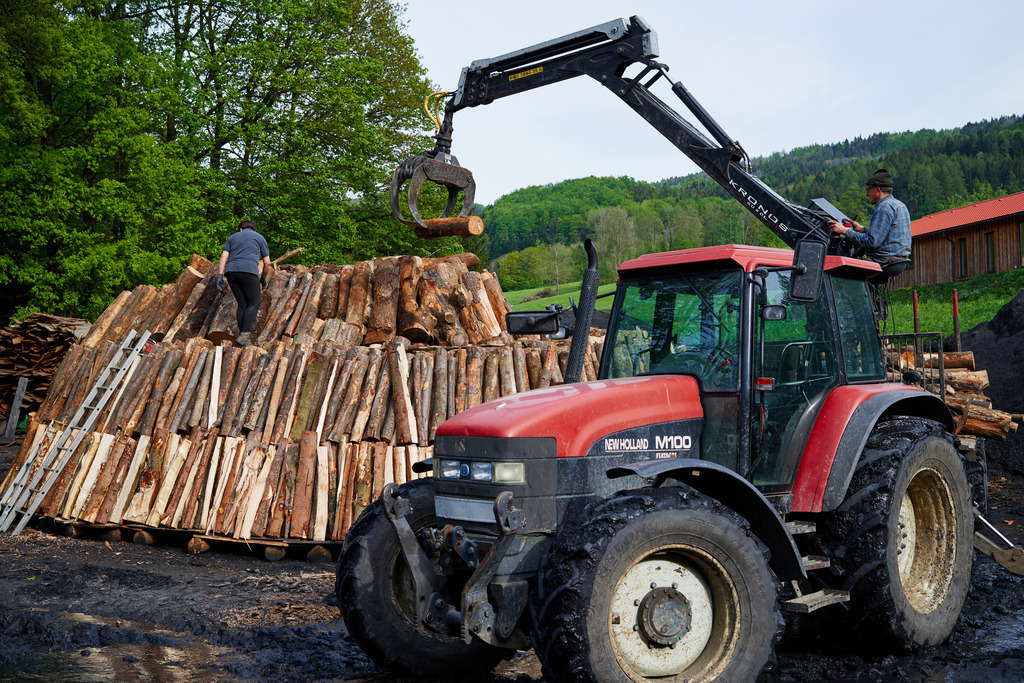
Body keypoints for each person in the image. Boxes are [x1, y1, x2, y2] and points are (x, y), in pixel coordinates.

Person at [828, 168, 912, 266]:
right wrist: (862, 229)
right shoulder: (899, 205)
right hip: (899, 260)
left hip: (885, 260)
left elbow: (871, 242)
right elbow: (885, 235)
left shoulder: (883, 208)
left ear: (877, 189)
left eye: (868, 189)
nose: (867, 194)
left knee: (840, 267)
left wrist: (844, 231)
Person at [217, 219, 271, 346]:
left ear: (240, 229)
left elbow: (224, 256)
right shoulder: (259, 237)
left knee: (242, 304)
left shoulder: (232, 237)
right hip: (249, 271)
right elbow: (267, 262)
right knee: (254, 303)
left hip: (231, 272)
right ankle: (245, 335)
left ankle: (242, 337)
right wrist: (263, 277)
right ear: (254, 229)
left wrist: (220, 275)